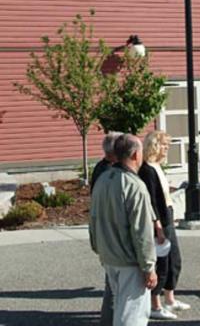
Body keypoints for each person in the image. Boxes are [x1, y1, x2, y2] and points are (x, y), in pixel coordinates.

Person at [90, 133, 157, 326]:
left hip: (109, 257)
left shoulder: (103, 180)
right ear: (136, 154)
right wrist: (148, 267)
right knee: (131, 317)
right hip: (129, 261)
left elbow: (93, 219)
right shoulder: (135, 186)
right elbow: (142, 231)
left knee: (119, 311)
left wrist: (98, 248)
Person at [138, 130, 190, 320]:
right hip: (159, 221)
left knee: (174, 260)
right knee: (162, 263)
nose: (167, 148)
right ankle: (155, 305)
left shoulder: (158, 167)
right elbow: (151, 201)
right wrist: (157, 226)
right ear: (155, 145)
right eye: (165, 145)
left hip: (168, 217)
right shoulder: (146, 170)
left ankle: (170, 298)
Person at [89, 131, 122, 326]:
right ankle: (109, 320)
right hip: (110, 232)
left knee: (112, 282)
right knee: (113, 283)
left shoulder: (103, 168)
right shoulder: (106, 172)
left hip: (104, 232)